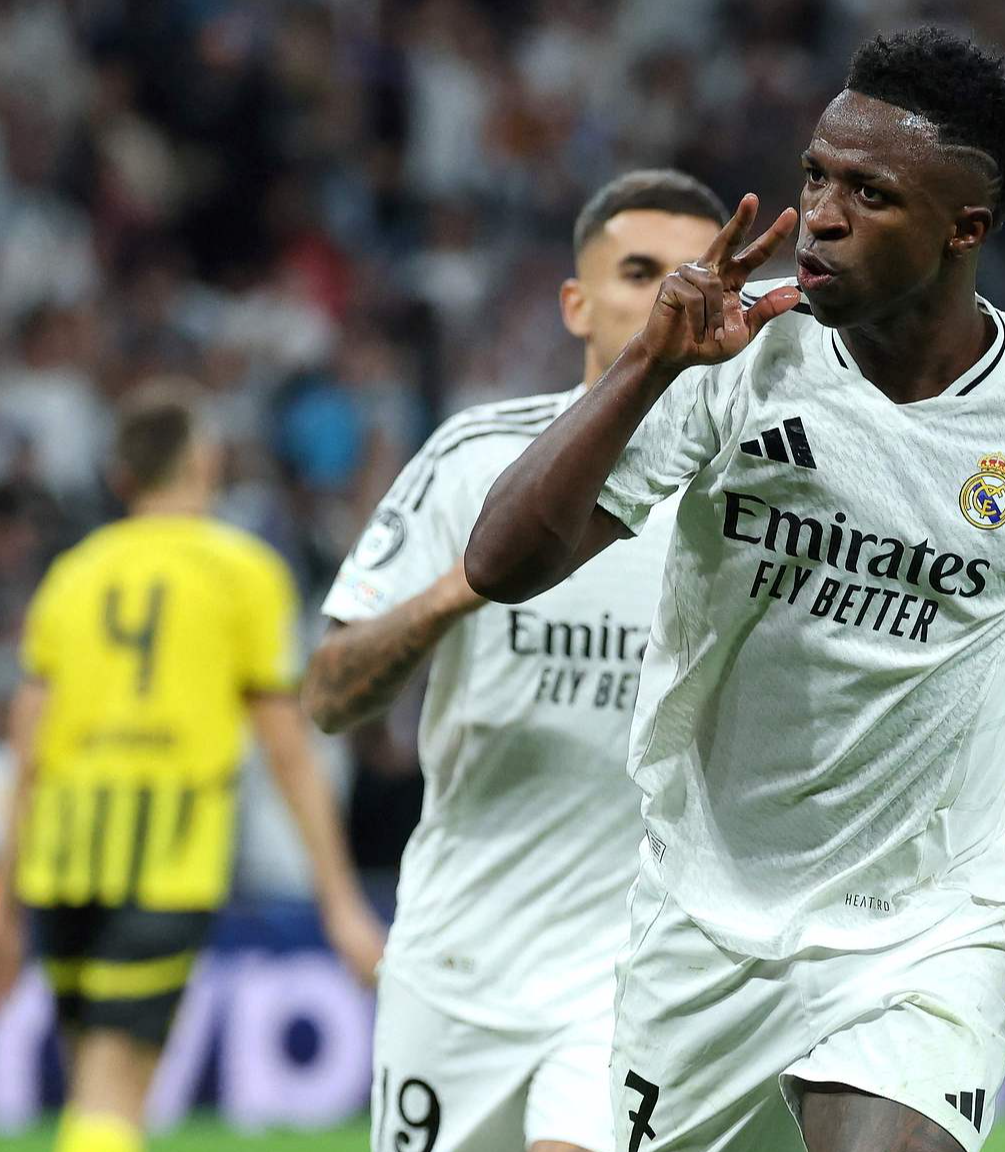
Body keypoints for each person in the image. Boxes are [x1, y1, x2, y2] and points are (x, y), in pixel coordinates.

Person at [465, 28, 1005, 1152]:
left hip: (919, 928)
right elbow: (497, 567)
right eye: (814, 176)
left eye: (870, 193)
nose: (820, 215)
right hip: (700, 924)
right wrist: (647, 365)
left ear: (966, 228)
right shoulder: (732, 355)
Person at [302, 170, 725, 1152]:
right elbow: (327, 696)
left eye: (696, 274)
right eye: (638, 271)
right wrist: (466, 584)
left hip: (634, 973)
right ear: (575, 304)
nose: (671, 294)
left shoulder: (745, 501)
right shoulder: (472, 462)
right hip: (457, 965)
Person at [0, 381, 385, 1152]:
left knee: (94, 1086)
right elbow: (287, 751)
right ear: (206, 463)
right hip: (164, 859)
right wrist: (339, 899)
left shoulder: (72, 574)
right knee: (114, 1094)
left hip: (60, 860)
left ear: (121, 478)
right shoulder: (245, 572)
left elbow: (25, 750)